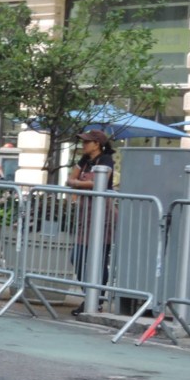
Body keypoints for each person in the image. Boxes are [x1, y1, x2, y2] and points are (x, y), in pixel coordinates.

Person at [66, 130, 116, 317]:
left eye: (87, 142)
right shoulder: (84, 160)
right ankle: (90, 296)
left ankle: (97, 300)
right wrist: (78, 182)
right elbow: (70, 179)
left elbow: (97, 183)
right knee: (77, 257)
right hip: (85, 213)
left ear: (97, 144)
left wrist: (77, 183)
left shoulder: (106, 160)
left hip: (103, 214)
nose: (83, 145)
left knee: (100, 259)